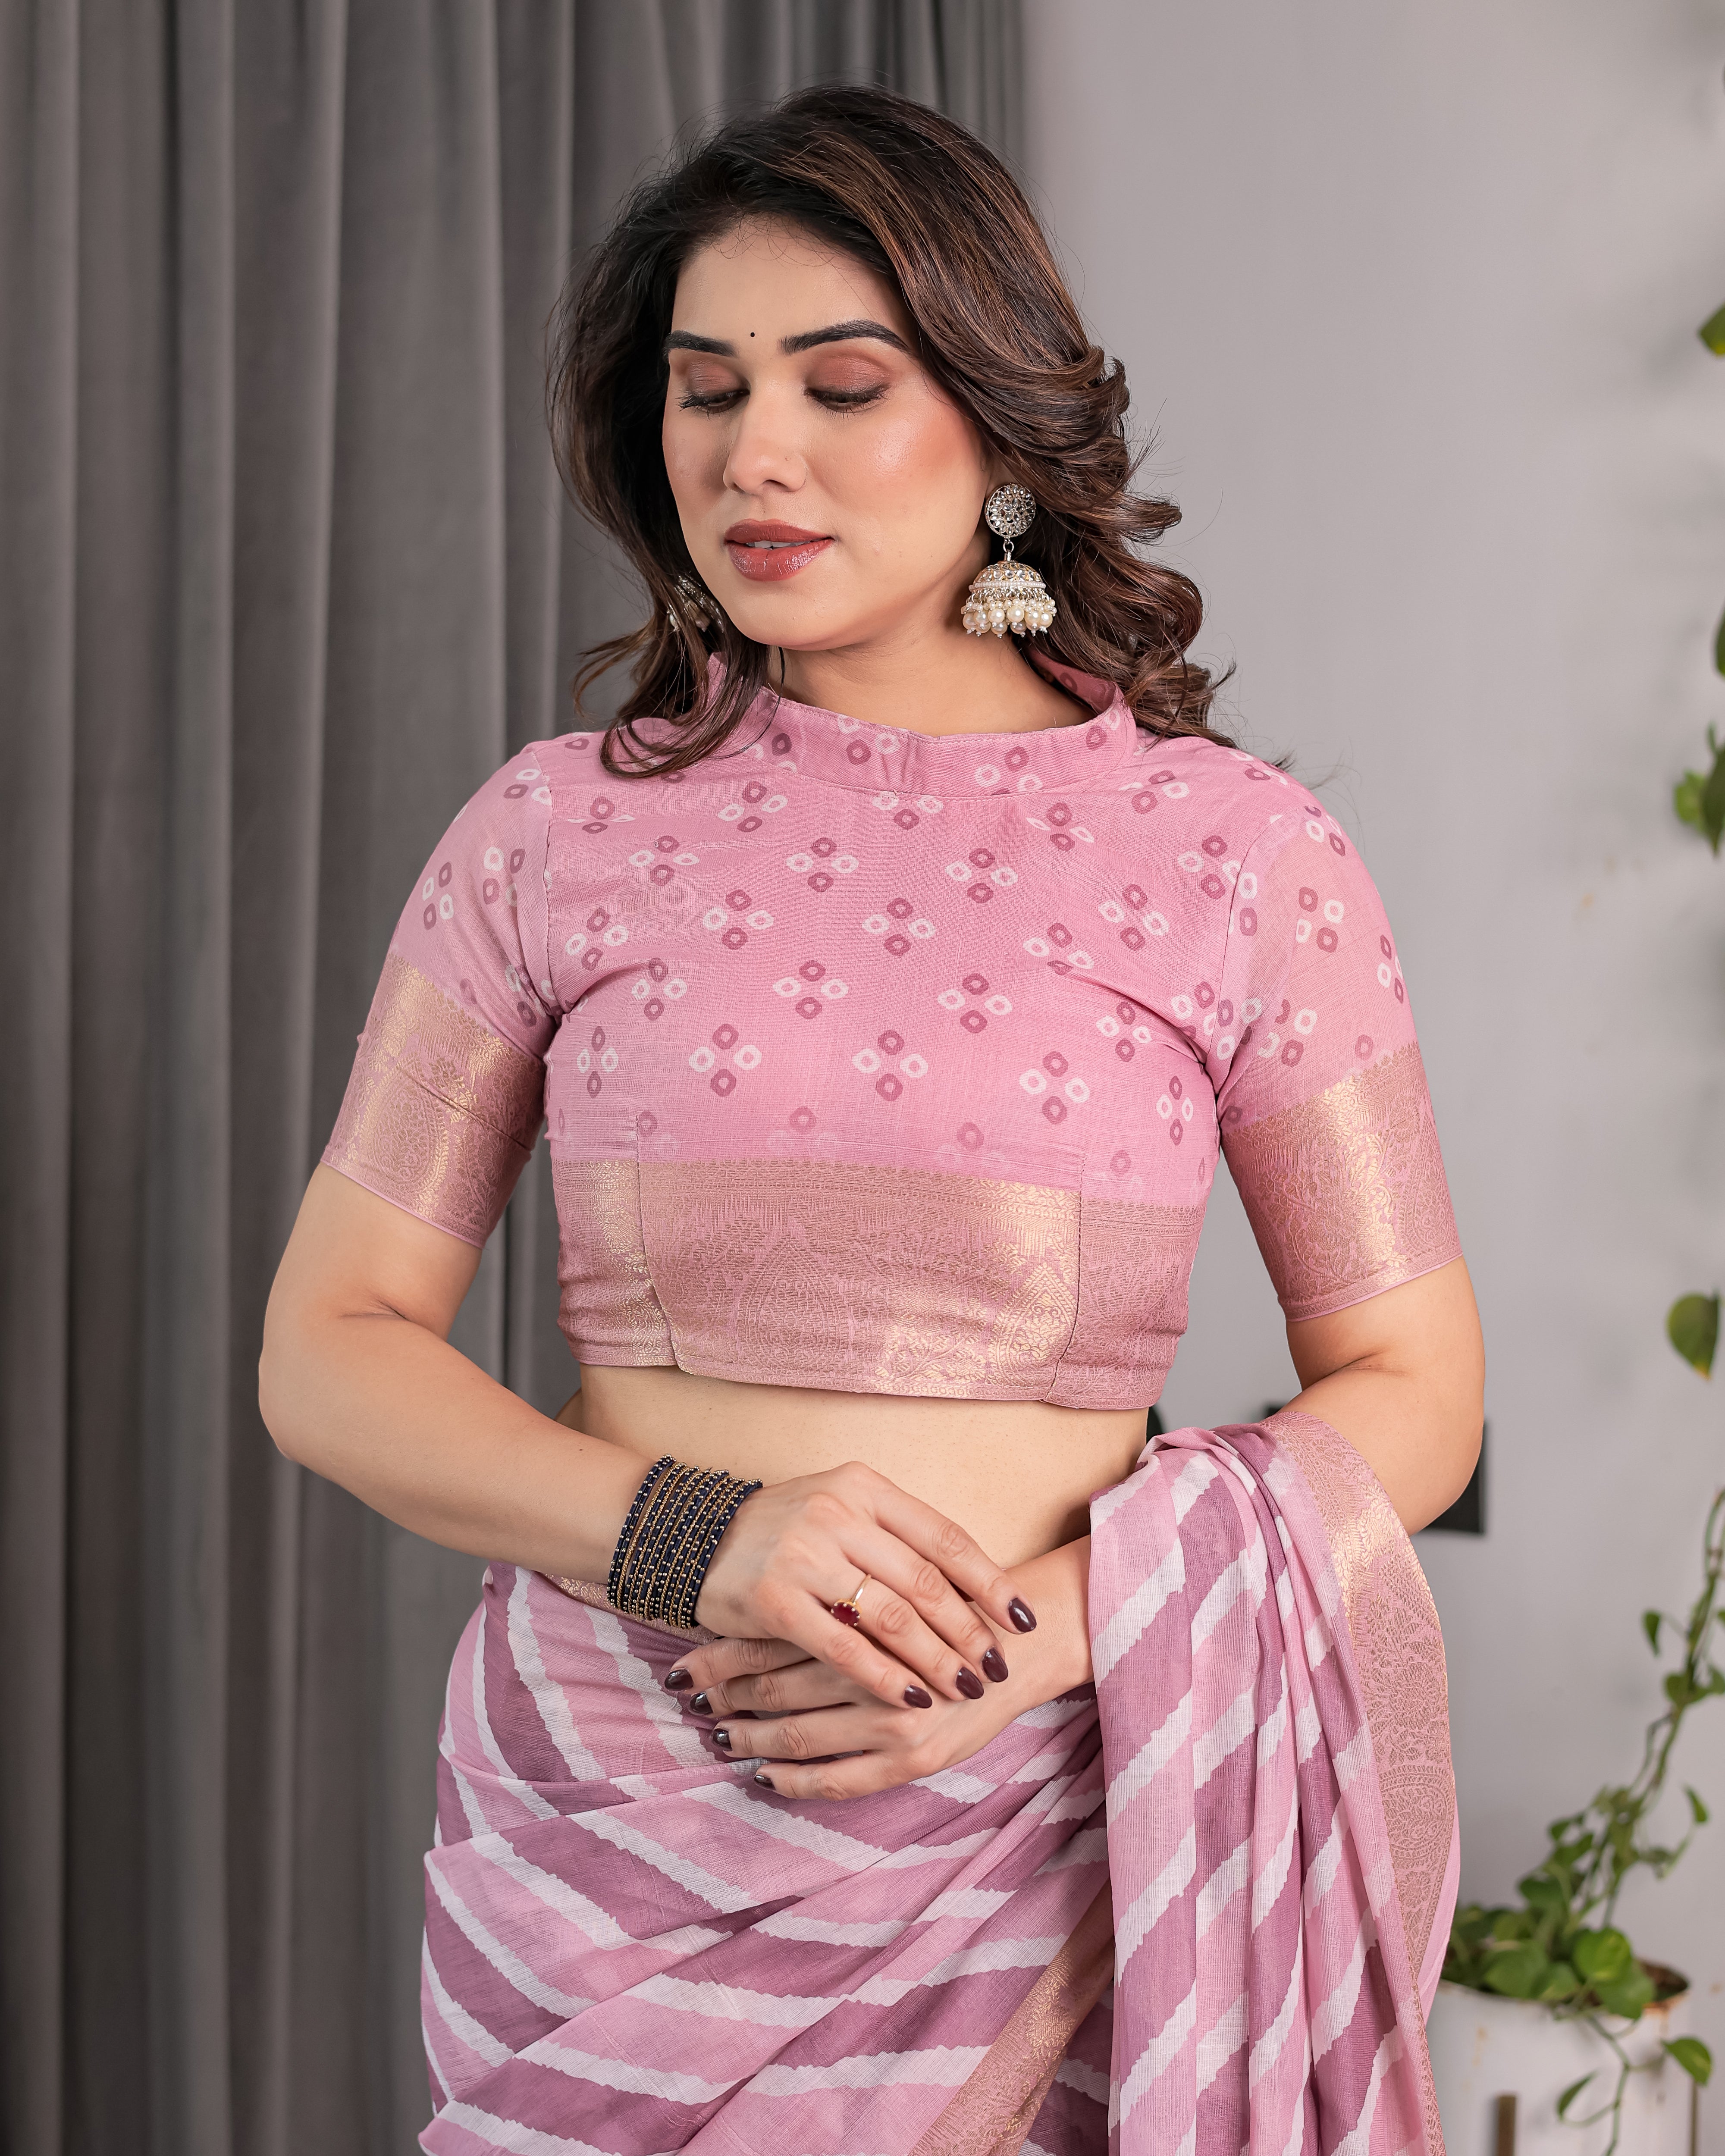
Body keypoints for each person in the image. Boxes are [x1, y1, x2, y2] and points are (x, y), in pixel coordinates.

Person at [260, 85, 1482, 2156]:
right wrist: (704, 1539)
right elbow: (329, 1350)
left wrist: (1034, 1642)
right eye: (706, 389)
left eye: (840, 385)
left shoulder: (1233, 857)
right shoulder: (552, 834)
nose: (755, 453)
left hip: (1048, 1838)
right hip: (614, 1856)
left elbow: (1416, 1381)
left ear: (1000, 429)